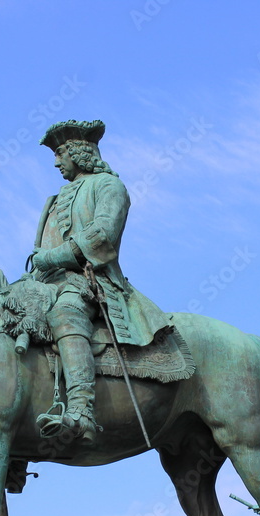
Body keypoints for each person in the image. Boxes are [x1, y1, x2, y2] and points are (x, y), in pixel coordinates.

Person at [29, 120, 169, 444]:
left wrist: (51, 258)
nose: (55, 161)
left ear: (78, 151)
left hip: (91, 281)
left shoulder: (108, 186)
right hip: (45, 283)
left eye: (60, 152)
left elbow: (102, 237)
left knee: (66, 312)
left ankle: (81, 413)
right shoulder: (52, 201)